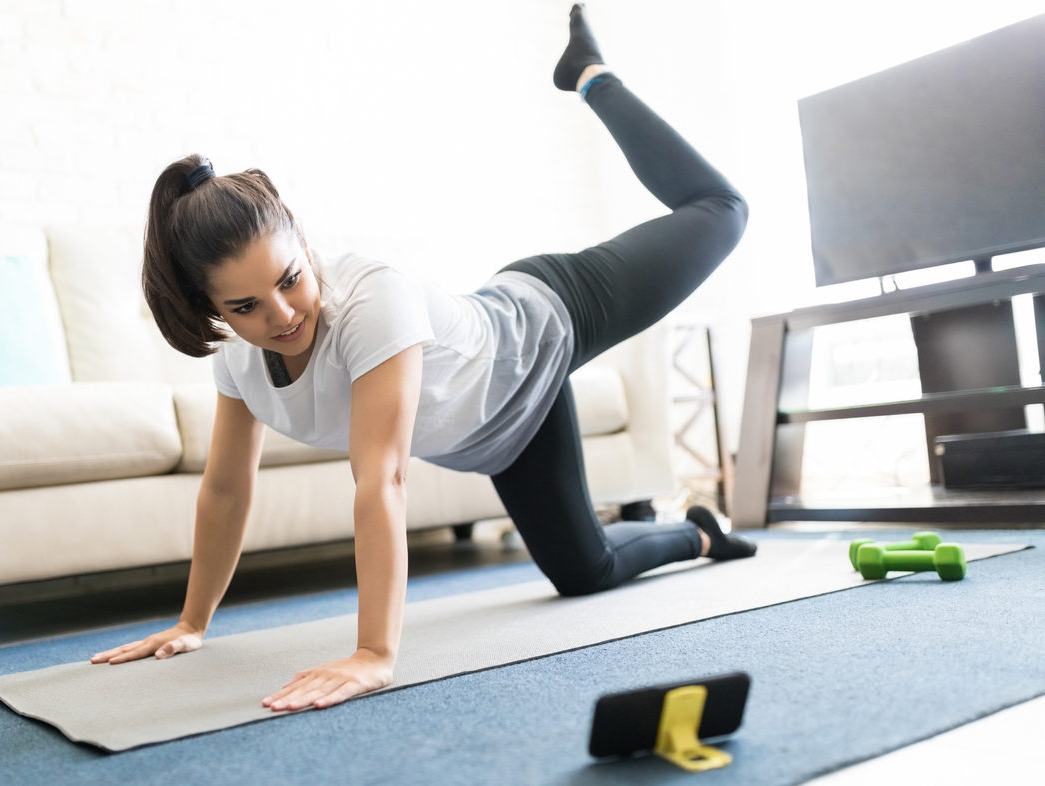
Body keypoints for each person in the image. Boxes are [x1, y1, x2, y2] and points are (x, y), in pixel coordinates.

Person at [90, 3, 757, 712]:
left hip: (545, 320)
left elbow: (383, 476)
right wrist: (194, 622)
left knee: (722, 210)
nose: (282, 316)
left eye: (290, 280)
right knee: (583, 572)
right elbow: (225, 491)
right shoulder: (239, 366)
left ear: (307, 248)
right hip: (503, 432)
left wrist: (374, 654)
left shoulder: (370, 301)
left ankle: (590, 77)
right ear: (212, 310)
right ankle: (698, 533)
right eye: (245, 307)